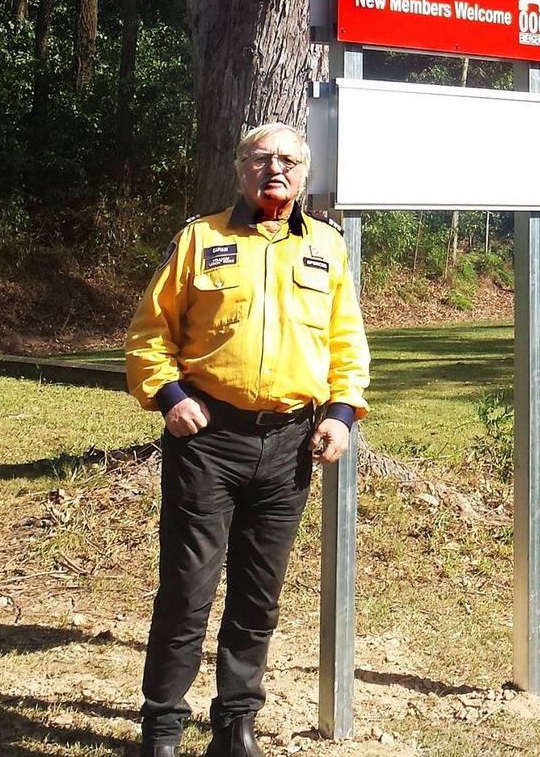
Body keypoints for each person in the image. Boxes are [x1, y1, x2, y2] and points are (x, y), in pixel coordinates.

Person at [125, 122, 370, 757]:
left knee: (258, 595)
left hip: (290, 446)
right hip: (208, 441)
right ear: (240, 169)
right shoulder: (199, 239)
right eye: (261, 158)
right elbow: (150, 336)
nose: (275, 169)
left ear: (304, 175)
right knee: (187, 589)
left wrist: (340, 415)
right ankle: (162, 728)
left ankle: (235, 725)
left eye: (289, 160)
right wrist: (171, 398)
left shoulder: (328, 247)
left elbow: (347, 346)